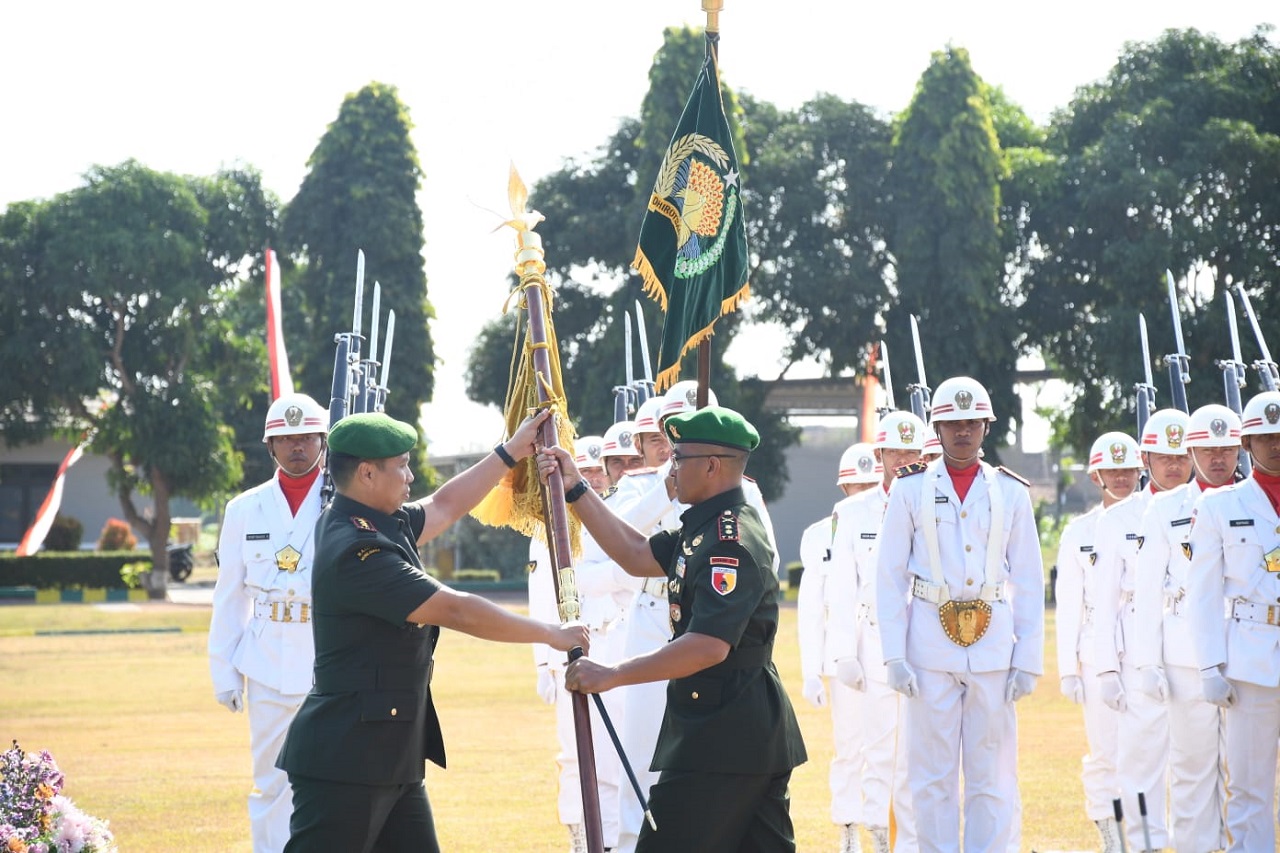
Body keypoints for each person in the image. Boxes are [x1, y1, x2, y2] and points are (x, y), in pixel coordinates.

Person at [276, 410, 589, 853]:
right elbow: (455, 609)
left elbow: (443, 505)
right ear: (366, 473)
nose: (410, 476)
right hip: (347, 761)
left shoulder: (373, 519)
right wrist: (551, 633)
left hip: (390, 755)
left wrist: (511, 452)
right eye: (401, 465)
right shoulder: (357, 549)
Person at [539, 405, 807, 853]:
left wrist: (611, 675)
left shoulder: (730, 540)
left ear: (712, 466)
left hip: (724, 736)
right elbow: (634, 553)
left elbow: (708, 646)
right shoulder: (703, 526)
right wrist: (576, 488)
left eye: (679, 459)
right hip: (734, 731)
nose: (671, 469)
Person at [875, 376, 1044, 852]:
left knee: (993, 774)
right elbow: (888, 577)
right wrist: (893, 656)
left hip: (994, 647)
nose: (962, 432)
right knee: (930, 778)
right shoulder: (909, 490)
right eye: (952, 423)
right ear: (937, 427)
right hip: (928, 646)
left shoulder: (1010, 492)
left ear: (986, 427)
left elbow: (1029, 580)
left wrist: (1028, 657)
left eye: (972, 422)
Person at [208, 392, 329, 853]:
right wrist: (224, 670)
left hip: (326, 657)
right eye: (285, 438)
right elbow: (229, 596)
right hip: (265, 662)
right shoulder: (244, 509)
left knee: (329, 778)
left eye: (304, 437)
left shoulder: (342, 502)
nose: (295, 446)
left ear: (321, 441)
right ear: (270, 446)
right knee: (270, 781)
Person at [1131, 404, 1238, 852]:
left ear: (1240, 449)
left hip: (1246, 652)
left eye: (1226, 449)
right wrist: (1147, 663)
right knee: (1192, 775)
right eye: (1206, 449)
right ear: (1190, 449)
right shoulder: (1165, 508)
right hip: (1184, 657)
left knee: (1247, 776)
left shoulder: (1256, 503)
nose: (1216, 459)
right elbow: (1146, 590)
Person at [826, 412, 927, 853]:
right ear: (880, 455)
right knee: (879, 747)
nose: (903, 460)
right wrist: (842, 651)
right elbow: (841, 586)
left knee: (918, 751)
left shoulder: (935, 501)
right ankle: (875, 835)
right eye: (895, 452)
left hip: (925, 637)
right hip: (873, 641)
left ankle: (911, 841)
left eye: (912, 452)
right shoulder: (852, 511)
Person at [1093, 407, 1191, 852]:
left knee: (1198, 763)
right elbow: (1104, 601)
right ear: (1145, 459)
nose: (1174, 466)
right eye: (1164, 457)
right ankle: (1146, 845)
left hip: (1194, 649)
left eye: (1181, 456)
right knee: (1140, 766)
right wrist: (1107, 670)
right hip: (1136, 655)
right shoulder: (1119, 519)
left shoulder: (1209, 506)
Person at [1187, 390, 1280, 851]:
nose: (1275, 445)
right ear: (1247, 443)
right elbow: (1201, 594)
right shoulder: (1220, 505)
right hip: (1250, 655)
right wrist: (1208, 666)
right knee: (1247, 789)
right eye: (1264, 437)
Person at [528, 434, 628, 852]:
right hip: (568, 653)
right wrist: (542, 663)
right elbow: (540, 593)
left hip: (616, 646)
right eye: (583, 471)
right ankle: (578, 834)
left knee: (612, 755)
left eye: (595, 472)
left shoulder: (614, 519)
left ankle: (608, 837)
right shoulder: (549, 526)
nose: (593, 479)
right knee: (574, 755)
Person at [1054, 430, 1142, 852]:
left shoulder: (1154, 521)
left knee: (1145, 752)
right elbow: (1068, 604)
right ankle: (1110, 832)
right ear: (1096, 476)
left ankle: (1145, 835)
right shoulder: (1080, 532)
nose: (1122, 477)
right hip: (1095, 655)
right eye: (1113, 469)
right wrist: (1069, 670)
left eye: (1128, 468)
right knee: (1105, 752)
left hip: (1146, 650)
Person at [796, 441, 883, 852]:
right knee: (850, 746)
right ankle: (848, 826)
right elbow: (812, 607)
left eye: (869, 483)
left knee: (890, 747)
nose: (862, 491)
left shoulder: (897, 522)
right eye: (855, 485)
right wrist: (812, 669)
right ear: (843, 489)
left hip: (884, 648)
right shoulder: (819, 535)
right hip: (842, 654)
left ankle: (883, 826)